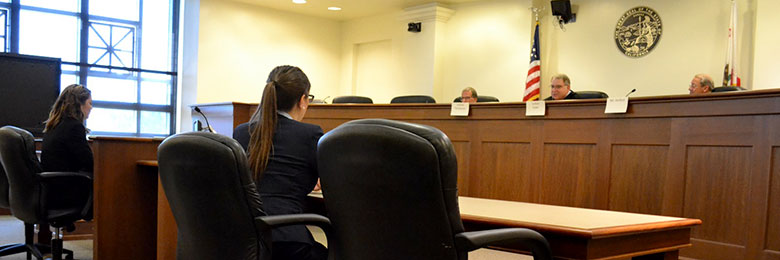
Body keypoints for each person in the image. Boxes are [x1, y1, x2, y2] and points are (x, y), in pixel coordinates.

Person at [233, 65, 326, 260]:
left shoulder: (241, 132)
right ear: (303, 100)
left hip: (244, 239)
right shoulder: (310, 134)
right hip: (287, 242)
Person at [41, 84, 93, 175]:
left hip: (52, 183)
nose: (91, 107)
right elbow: (89, 163)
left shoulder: (54, 125)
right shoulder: (74, 127)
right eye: (90, 103)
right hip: (68, 183)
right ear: (80, 104)